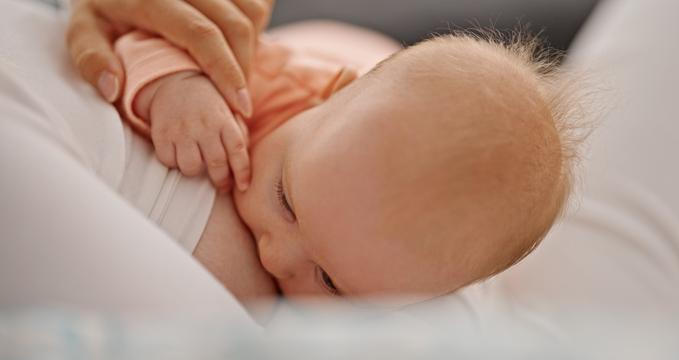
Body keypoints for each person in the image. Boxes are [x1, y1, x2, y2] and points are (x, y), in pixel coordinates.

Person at [112, 27, 580, 300]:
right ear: (325, 96)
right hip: (334, 39)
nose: (273, 255)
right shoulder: (268, 85)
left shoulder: (426, 278)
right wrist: (179, 85)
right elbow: (152, 31)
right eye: (286, 200)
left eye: (330, 281)